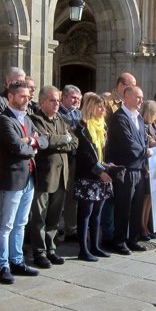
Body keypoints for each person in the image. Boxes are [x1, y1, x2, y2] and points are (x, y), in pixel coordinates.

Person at [0, 81, 48, 284]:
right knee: (6, 224)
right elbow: (16, 147)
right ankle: (3, 265)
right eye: (22, 96)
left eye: (28, 96)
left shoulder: (27, 119)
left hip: (29, 178)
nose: (27, 100)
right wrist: (29, 143)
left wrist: (31, 141)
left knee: (21, 223)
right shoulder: (4, 120)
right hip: (13, 178)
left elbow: (44, 140)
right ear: (11, 97)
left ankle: (17, 261)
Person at [27, 85, 78, 268]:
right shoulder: (36, 119)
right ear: (42, 102)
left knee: (54, 217)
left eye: (57, 100)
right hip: (45, 175)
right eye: (52, 100)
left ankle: (51, 249)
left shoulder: (61, 120)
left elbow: (75, 142)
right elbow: (43, 141)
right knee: (40, 216)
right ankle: (39, 251)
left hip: (62, 176)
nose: (56, 104)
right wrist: (63, 139)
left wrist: (58, 140)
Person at [106, 86, 151, 254]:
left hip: (138, 168)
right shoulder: (119, 117)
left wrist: (145, 163)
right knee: (123, 207)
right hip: (125, 169)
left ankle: (133, 239)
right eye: (138, 97)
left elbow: (143, 139)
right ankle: (119, 241)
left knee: (136, 207)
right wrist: (145, 151)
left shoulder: (138, 117)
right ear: (127, 97)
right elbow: (128, 143)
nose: (141, 100)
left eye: (142, 97)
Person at [74, 94, 113, 261]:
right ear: (90, 107)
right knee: (85, 214)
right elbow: (84, 154)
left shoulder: (102, 126)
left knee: (97, 213)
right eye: (99, 106)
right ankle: (83, 249)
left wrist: (106, 165)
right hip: (87, 176)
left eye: (103, 106)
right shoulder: (82, 127)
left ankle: (95, 246)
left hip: (100, 175)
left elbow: (100, 152)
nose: (103, 109)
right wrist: (99, 171)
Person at [58, 84, 83, 241]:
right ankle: (56, 228)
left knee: (72, 197)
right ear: (64, 97)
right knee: (59, 196)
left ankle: (70, 228)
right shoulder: (58, 114)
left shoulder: (80, 114)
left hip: (76, 159)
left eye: (78, 99)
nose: (76, 101)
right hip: (63, 158)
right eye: (73, 97)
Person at [140, 100, 156, 239]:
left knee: (150, 198)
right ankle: (142, 227)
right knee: (145, 199)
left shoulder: (154, 126)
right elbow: (146, 142)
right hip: (146, 167)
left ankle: (147, 226)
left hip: (154, 166)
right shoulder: (143, 126)